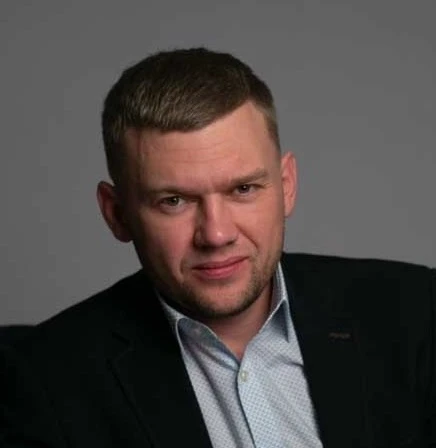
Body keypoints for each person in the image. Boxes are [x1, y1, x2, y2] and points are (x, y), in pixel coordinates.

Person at [0, 48, 435, 448]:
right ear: (117, 214)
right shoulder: (42, 381)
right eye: (174, 201)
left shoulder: (417, 315)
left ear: (286, 186)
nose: (216, 234)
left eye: (243, 189)